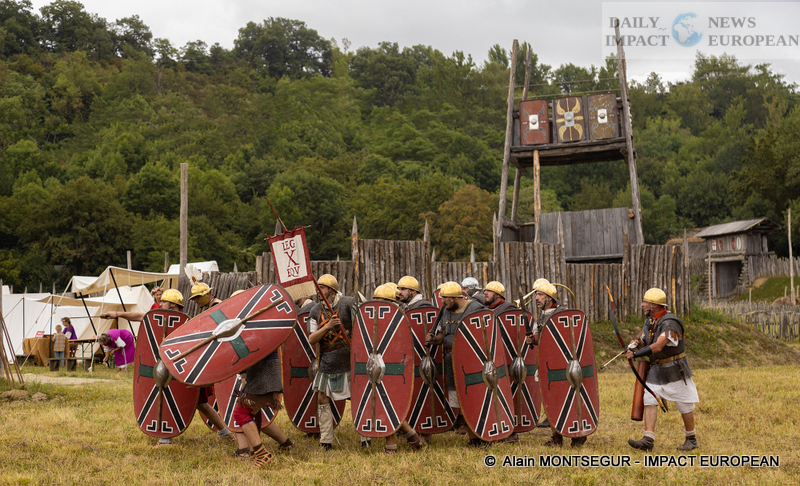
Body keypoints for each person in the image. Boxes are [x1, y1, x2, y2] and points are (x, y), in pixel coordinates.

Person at [625, 288, 700, 452]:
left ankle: (691, 439)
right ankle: (648, 440)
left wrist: (636, 354)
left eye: (645, 302)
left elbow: (658, 346)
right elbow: (647, 342)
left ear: (653, 305)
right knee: (649, 399)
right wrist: (636, 344)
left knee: (685, 404)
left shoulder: (670, 322)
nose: (642, 305)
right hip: (656, 370)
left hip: (675, 369)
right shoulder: (651, 321)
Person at [425, 281, 486, 446]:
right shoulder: (446, 310)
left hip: (472, 361)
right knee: (459, 400)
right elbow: (443, 336)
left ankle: (477, 437)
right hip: (451, 361)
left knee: (472, 400)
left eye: (445, 299)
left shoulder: (476, 310)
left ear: (454, 298)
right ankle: (472, 436)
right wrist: (434, 339)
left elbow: (486, 336)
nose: (443, 302)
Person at [369, 284, 427, 454]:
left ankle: (391, 447)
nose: (377, 304)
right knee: (386, 404)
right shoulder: (386, 318)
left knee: (387, 404)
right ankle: (414, 438)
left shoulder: (399, 319)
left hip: (394, 368)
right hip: (381, 367)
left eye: (380, 301)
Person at [530, 280, 586, 448]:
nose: (536, 298)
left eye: (539, 295)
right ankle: (556, 437)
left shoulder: (563, 314)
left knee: (567, 400)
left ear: (549, 297)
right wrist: (532, 340)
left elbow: (569, 340)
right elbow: (540, 338)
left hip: (563, 367)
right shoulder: (541, 315)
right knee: (551, 400)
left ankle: (578, 435)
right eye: (535, 295)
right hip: (546, 365)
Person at [307, 274, 360, 450]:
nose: (318, 291)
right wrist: (328, 327)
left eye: (321, 288)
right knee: (322, 397)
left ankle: (365, 437)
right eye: (318, 287)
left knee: (357, 398)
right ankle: (326, 440)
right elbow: (312, 339)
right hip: (328, 361)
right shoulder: (315, 310)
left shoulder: (348, 303)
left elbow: (362, 327)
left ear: (331, 290)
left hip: (348, 358)